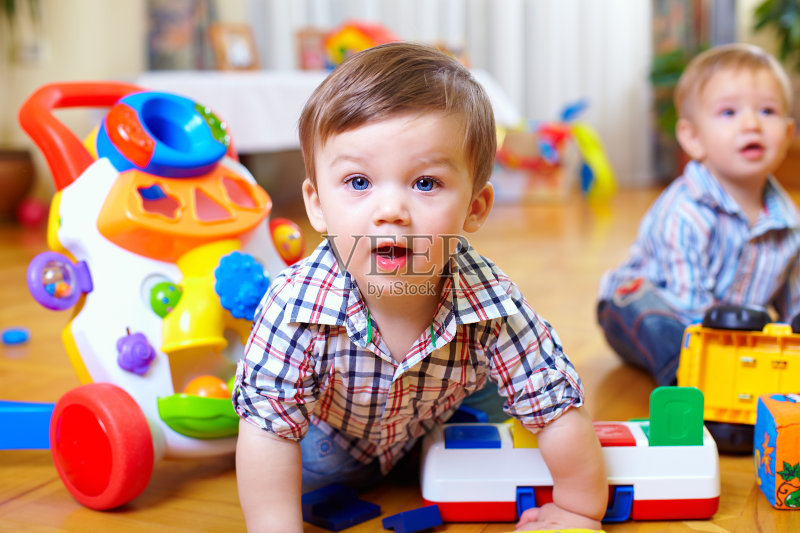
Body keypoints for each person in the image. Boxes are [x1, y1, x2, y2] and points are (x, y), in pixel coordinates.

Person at [233, 42, 607, 532]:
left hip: (443, 419)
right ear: (317, 203)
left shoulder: (493, 300)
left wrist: (578, 509)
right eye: (359, 182)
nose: (391, 210)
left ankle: (447, 448)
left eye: (426, 183)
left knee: (503, 416)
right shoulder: (295, 303)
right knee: (295, 462)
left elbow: (555, 406)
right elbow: (268, 428)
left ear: (475, 207)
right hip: (332, 444)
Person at [597, 43, 800, 386]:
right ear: (692, 138)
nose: (751, 124)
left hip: (735, 331)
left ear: (788, 135)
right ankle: (686, 379)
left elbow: (793, 299)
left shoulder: (788, 221)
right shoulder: (684, 211)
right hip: (652, 310)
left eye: (766, 111)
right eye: (729, 113)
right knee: (655, 319)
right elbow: (687, 305)